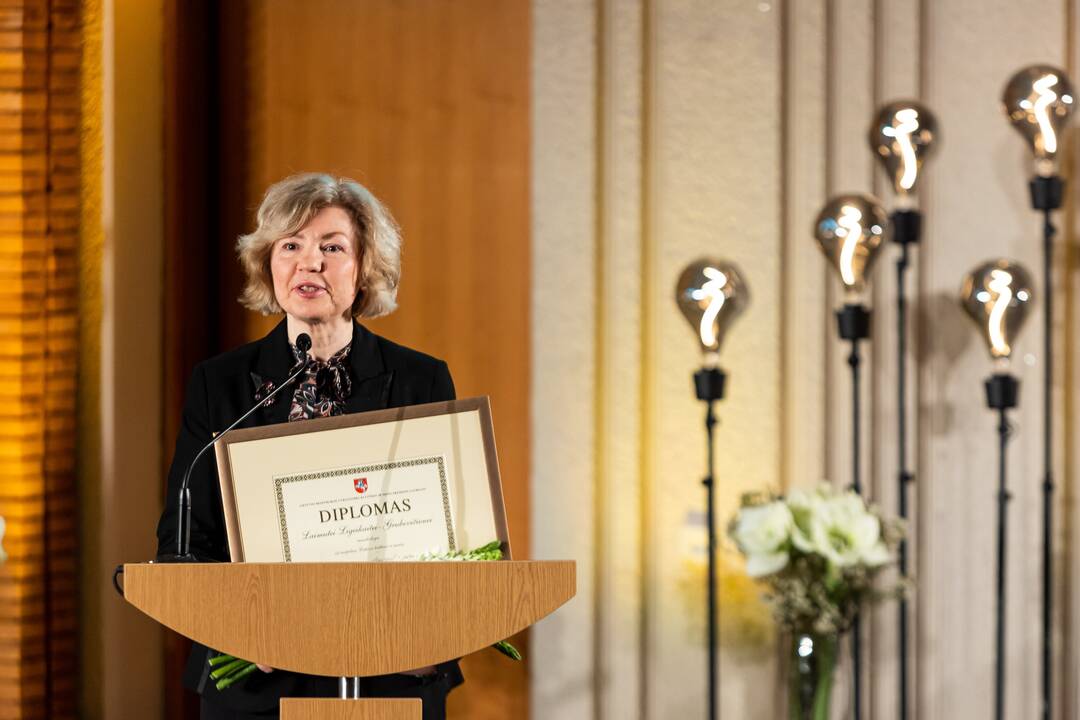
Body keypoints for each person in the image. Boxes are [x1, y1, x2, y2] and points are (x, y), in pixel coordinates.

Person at [155, 173, 463, 719]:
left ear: (364, 265)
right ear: (268, 263)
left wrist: (426, 634)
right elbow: (187, 536)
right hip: (257, 676)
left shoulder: (420, 380)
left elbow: (452, 537)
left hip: (386, 671)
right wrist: (239, 628)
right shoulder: (221, 384)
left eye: (332, 247)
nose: (309, 263)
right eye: (290, 246)